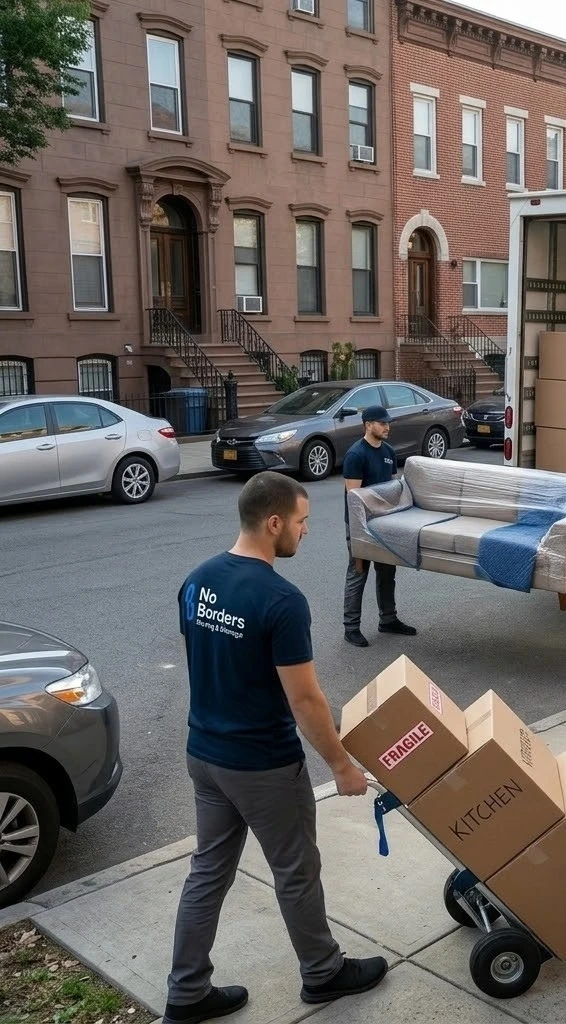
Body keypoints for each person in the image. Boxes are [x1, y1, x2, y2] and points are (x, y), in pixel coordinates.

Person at [164, 471, 387, 1024]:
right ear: (273, 523)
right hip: (262, 763)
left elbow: (206, 661)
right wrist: (341, 764)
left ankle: (186, 993)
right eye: (301, 521)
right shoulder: (281, 600)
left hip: (205, 755)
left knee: (207, 872)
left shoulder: (197, 580)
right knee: (296, 870)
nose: (305, 531)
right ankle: (324, 972)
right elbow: (304, 699)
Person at [341, 406, 416, 648]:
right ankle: (351, 628)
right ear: (368, 424)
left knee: (387, 573)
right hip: (360, 525)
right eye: (382, 423)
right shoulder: (356, 455)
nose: (387, 427)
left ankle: (388, 620)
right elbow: (354, 498)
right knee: (358, 574)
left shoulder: (389, 452)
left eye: (388, 423)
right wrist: (361, 531)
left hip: (384, 524)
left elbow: (391, 489)